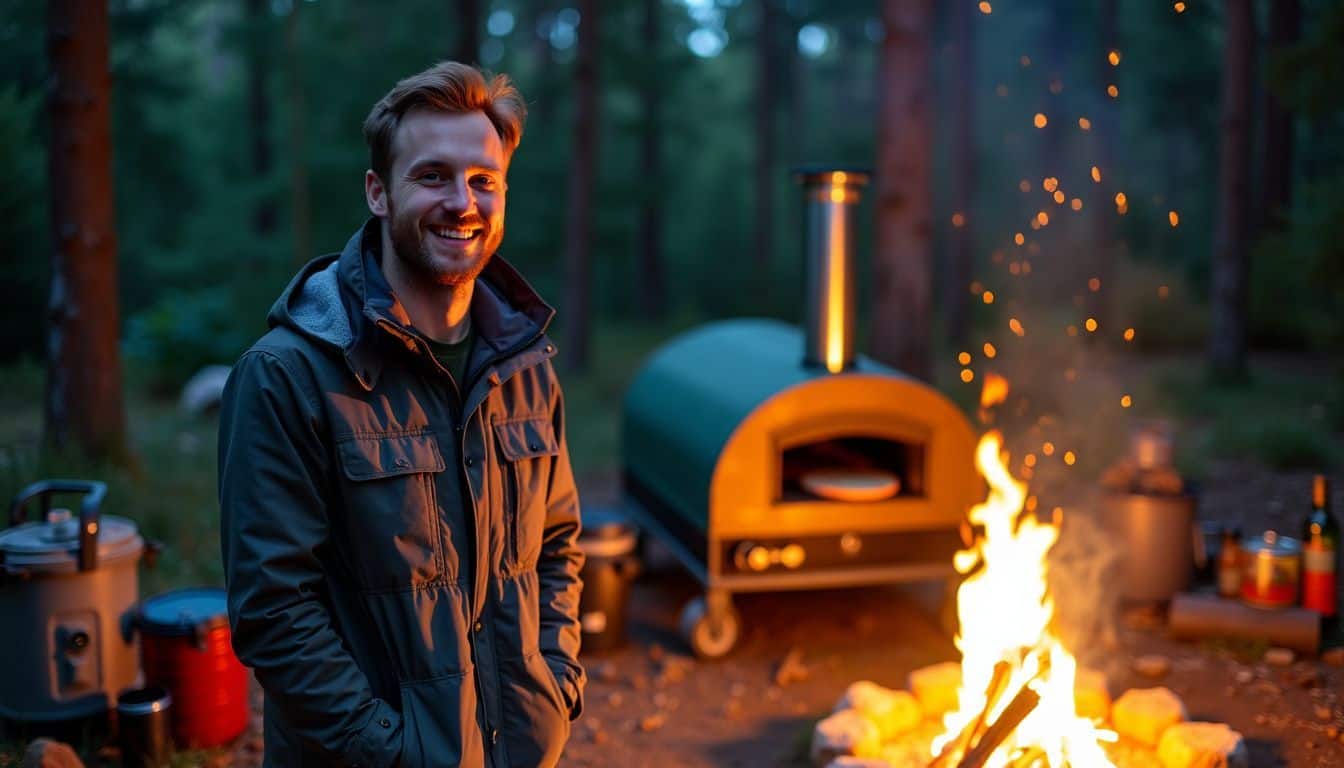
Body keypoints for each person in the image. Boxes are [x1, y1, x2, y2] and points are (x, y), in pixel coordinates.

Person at [218, 61, 585, 768]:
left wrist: (556, 687)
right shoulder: (288, 375)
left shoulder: (526, 366)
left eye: (484, 180)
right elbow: (274, 611)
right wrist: (390, 752)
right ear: (378, 193)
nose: (462, 202)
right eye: (433, 176)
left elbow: (559, 548)